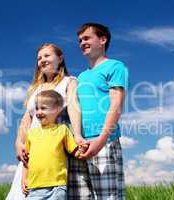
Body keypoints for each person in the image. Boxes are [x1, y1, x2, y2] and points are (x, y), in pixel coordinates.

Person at [6, 43, 85, 200]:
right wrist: (18, 143)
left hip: (53, 147)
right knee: (24, 191)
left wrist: (77, 134)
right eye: (39, 58)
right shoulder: (36, 87)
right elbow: (27, 118)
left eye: (47, 56)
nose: (42, 60)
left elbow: (73, 107)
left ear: (60, 58)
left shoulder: (69, 81)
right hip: (32, 145)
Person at [68, 23, 128, 199]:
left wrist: (101, 140)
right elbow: (75, 107)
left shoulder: (115, 66)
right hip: (80, 145)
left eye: (86, 38)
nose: (82, 43)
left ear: (102, 40)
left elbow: (116, 105)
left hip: (104, 141)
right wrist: (77, 137)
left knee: (107, 196)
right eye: (80, 40)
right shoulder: (81, 77)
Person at [22, 90, 87, 199]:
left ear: (57, 109)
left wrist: (82, 151)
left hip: (57, 187)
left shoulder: (63, 130)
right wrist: (24, 178)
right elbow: (27, 159)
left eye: (43, 108)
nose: (38, 112)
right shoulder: (31, 133)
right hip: (34, 187)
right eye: (37, 108)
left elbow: (75, 151)